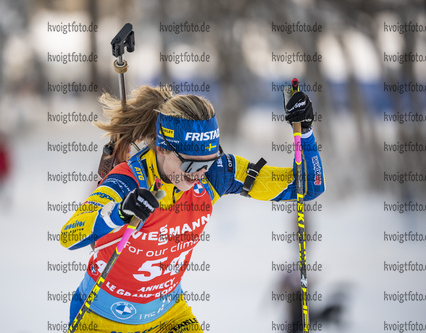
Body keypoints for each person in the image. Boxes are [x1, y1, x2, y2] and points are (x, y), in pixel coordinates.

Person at [60, 85, 325, 332]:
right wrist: (119, 212)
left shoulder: (216, 175)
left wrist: (306, 133)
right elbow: (69, 236)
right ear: (163, 148)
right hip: (101, 319)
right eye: (189, 165)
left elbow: (307, 187)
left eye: (207, 163)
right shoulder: (127, 180)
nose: (199, 174)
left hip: (168, 318)